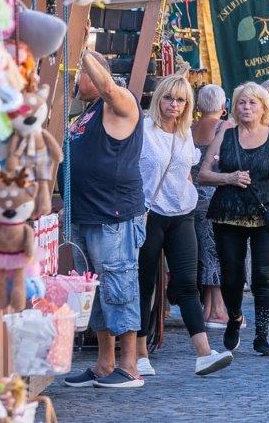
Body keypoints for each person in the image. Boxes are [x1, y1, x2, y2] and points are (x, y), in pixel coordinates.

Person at [134, 75, 233, 377]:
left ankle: (203, 353)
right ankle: (138, 355)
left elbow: (187, 170)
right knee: (145, 284)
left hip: (182, 212)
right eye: (168, 98)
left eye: (180, 100)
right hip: (149, 213)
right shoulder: (143, 130)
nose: (174, 105)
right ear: (159, 99)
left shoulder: (184, 134)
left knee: (189, 283)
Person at [61, 51, 148, 390]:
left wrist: (82, 50)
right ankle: (103, 363)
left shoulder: (119, 102)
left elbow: (109, 88)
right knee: (93, 290)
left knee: (119, 284)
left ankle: (129, 366)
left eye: (77, 74)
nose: (72, 82)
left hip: (113, 214)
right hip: (85, 213)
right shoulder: (86, 112)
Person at [199, 82, 269, 356]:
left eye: (253, 103)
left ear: (264, 108)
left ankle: (262, 335)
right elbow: (203, 173)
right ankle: (235, 316)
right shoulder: (225, 135)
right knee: (231, 275)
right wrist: (228, 177)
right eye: (242, 102)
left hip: (266, 213)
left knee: (263, 276)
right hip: (228, 212)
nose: (246, 107)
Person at [191, 84, 227, 328]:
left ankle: (208, 307)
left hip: (192, 197)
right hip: (217, 196)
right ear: (223, 107)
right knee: (219, 252)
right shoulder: (223, 128)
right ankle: (218, 308)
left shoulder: (191, 127)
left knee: (204, 252)